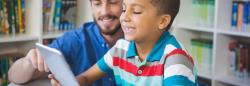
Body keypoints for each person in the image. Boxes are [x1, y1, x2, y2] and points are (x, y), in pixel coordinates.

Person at [50, 0, 198, 85]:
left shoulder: (176, 61)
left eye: (136, 12)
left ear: (162, 21)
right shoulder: (121, 49)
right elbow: (86, 77)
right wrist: (67, 82)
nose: (124, 17)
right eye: (124, 9)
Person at [8, 0, 123, 86]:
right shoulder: (76, 40)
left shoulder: (137, 41)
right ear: (91, 6)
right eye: (97, 3)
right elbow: (13, 77)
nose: (104, 11)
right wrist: (29, 62)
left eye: (113, 2)